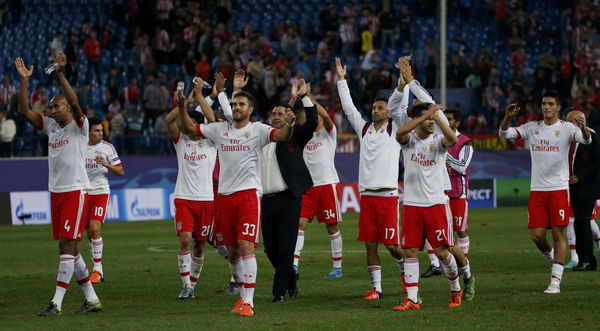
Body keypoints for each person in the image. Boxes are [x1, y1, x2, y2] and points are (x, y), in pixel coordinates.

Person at [178, 85, 295, 317]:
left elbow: (282, 135)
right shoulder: (220, 129)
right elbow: (190, 127)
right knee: (232, 252)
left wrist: (290, 124)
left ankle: (249, 303)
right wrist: (182, 106)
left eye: (241, 104)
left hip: (248, 195)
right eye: (234, 104)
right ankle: (242, 298)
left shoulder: (258, 130)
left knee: (245, 246)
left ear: (250, 110)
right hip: (224, 198)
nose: (237, 107)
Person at [15, 53, 102, 316]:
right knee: (69, 248)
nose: (50, 110)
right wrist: (24, 81)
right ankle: (91, 299)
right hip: (57, 193)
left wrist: (61, 74)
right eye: (50, 107)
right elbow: (23, 111)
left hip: (75, 191)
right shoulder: (51, 127)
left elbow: (75, 102)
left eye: (55, 106)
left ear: (66, 108)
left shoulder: (80, 126)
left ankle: (57, 302)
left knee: (66, 246)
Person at [499, 92, 591, 293]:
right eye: (544, 104)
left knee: (559, 234)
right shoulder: (533, 128)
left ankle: (555, 282)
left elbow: (585, 140)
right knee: (537, 236)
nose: (546, 107)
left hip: (558, 189)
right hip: (537, 190)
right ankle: (553, 260)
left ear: (558, 108)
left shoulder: (567, 128)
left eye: (550, 104)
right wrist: (507, 117)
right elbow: (504, 134)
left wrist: (583, 130)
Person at [336, 57, 405, 300]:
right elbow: (349, 108)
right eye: (374, 108)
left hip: (388, 196)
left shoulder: (395, 129)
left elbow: (400, 104)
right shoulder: (364, 129)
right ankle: (376, 288)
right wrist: (342, 80)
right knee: (370, 245)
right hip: (366, 197)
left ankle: (406, 271)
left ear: (388, 112)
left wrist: (403, 81)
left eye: (380, 108)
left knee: (393, 246)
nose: (376, 111)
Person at [394, 101, 463, 311]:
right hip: (413, 205)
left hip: (436, 204)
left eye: (433, 119)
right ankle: (412, 299)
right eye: (428, 119)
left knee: (442, 253)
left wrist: (436, 116)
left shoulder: (438, 141)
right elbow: (400, 132)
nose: (431, 122)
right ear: (418, 120)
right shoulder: (409, 141)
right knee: (410, 252)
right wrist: (425, 116)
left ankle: (455, 288)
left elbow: (452, 138)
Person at [261, 79, 317, 302]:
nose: (276, 116)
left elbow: (312, 122)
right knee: (269, 249)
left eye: (280, 113)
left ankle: (279, 293)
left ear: (287, 116)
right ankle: (291, 276)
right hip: (266, 200)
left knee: (285, 249)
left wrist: (304, 97)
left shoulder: (295, 137)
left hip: (289, 200)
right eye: (273, 113)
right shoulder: (260, 138)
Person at [167, 81, 217, 299]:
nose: (188, 128)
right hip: (184, 198)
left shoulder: (212, 141)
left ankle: (192, 287)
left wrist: (201, 97)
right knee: (185, 239)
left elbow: (213, 120)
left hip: (206, 200)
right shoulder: (181, 142)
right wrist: (183, 103)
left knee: (199, 245)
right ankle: (186, 286)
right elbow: (169, 121)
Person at [294, 86, 344, 279]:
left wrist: (308, 97)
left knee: (331, 227)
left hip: (326, 185)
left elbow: (325, 116)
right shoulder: (304, 136)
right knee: (299, 224)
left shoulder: (330, 133)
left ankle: (337, 267)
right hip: (307, 187)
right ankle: (294, 265)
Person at [84, 117, 124, 284]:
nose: (101, 134)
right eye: (97, 130)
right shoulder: (79, 146)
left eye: (101, 130)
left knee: (95, 228)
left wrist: (107, 165)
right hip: (83, 192)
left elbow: (121, 171)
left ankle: (98, 271)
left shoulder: (107, 148)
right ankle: (94, 266)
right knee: (89, 233)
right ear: (89, 132)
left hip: (100, 191)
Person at [565, 110, 600, 271]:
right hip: (573, 186)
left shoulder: (593, 137)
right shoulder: (569, 138)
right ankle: (585, 260)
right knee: (579, 222)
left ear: (579, 122)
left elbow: (597, 162)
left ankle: (586, 260)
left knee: (582, 220)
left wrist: (579, 176)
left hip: (588, 186)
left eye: (569, 122)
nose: (566, 125)